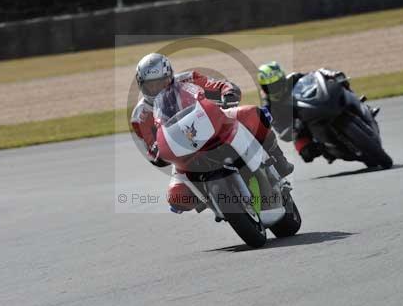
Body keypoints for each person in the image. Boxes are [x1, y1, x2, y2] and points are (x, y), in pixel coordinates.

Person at [131, 53, 294, 213]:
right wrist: (157, 154)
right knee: (177, 197)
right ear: (142, 85)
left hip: (215, 123)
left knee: (253, 114)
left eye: (161, 83)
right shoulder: (140, 116)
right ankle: (211, 201)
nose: (157, 89)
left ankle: (278, 158)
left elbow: (219, 86)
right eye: (151, 86)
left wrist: (228, 94)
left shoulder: (187, 79)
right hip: (183, 152)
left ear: (170, 77)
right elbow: (150, 145)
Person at [257, 61, 357, 163]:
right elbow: (280, 130)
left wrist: (329, 74)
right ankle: (327, 148)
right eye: (269, 87)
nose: (274, 88)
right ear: (263, 87)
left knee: (338, 83)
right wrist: (293, 127)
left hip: (316, 105)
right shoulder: (268, 106)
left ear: (283, 78)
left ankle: (357, 104)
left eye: (277, 84)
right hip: (300, 126)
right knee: (306, 153)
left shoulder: (294, 78)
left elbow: (316, 77)